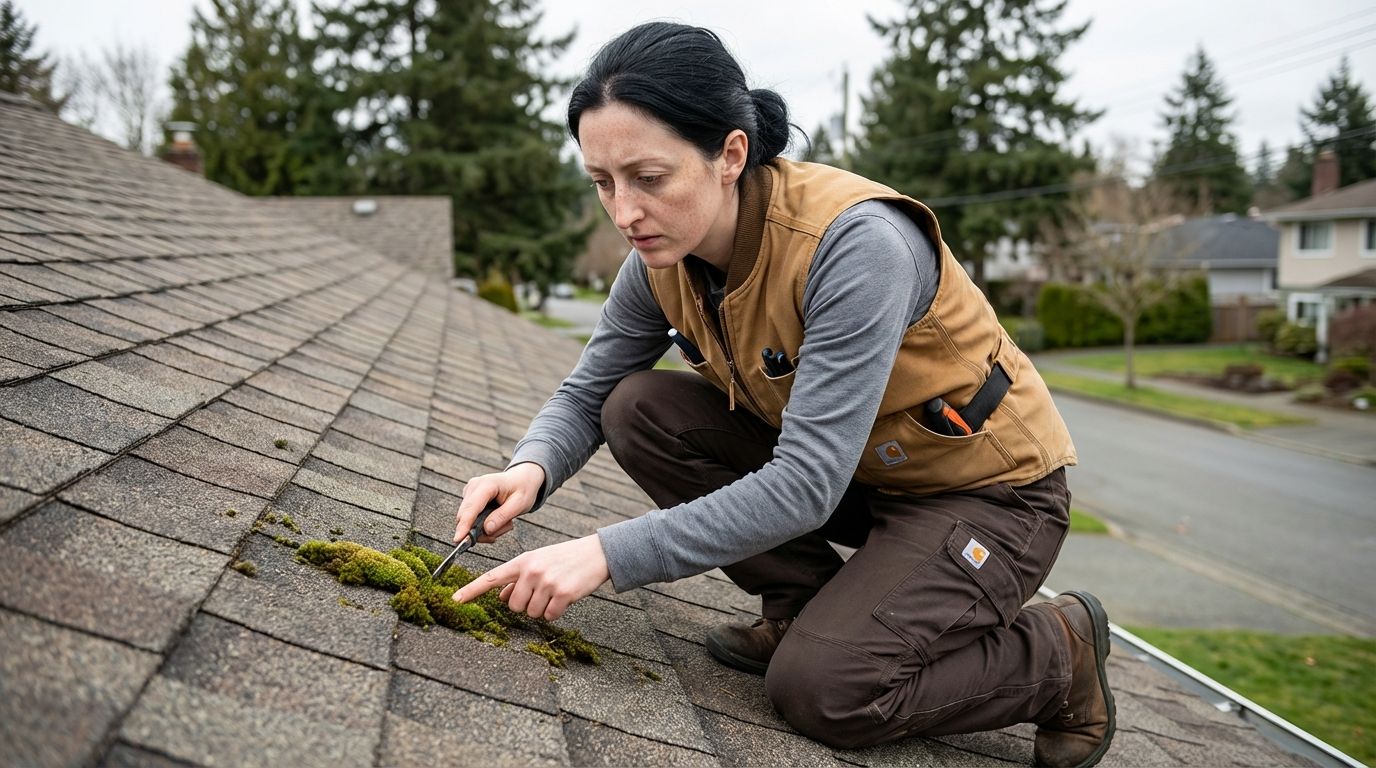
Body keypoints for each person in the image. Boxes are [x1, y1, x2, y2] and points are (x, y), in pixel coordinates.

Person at [452, 21, 1114, 768]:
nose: (624, 213)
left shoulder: (855, 246)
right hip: (863, 479)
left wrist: (606, 554)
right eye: (602, 183)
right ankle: (803, 608)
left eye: (649, 178)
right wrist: (529, 468)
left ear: (731, 153)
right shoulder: (658, 260)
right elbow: (588, 392)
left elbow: (803, 484)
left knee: (826, 691)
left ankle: (1058, 654)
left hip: (988, 496)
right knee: (637, 407)